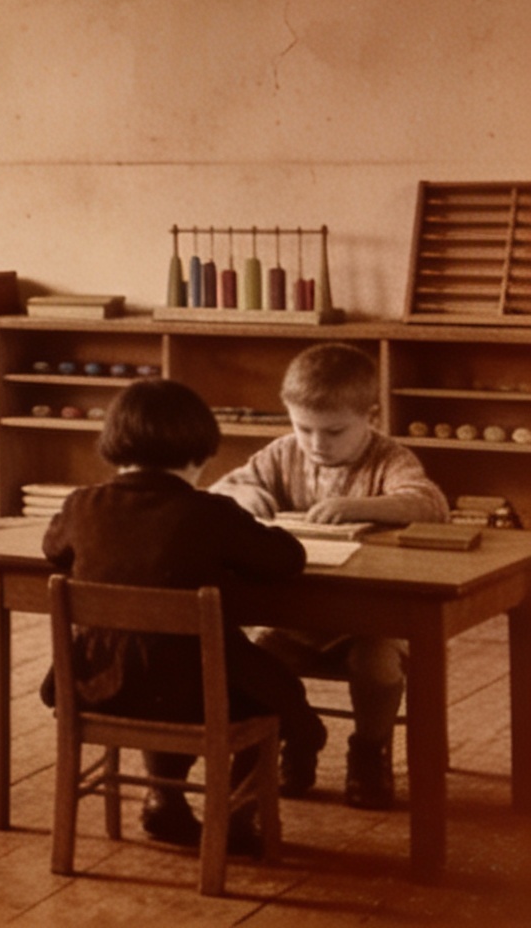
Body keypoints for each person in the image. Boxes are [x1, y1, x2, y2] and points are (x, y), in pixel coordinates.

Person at [41, 378, 323, 855]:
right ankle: (236, 816)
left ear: (114, 445)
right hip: (192, 693)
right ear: (199, 454)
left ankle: (165, 801)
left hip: (97, 686)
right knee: (270, 697)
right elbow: (286, 560)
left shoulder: (80, 505)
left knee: (174, 669)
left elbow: (53, 550)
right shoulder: (210, 513)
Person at [208, 341, 448, 809]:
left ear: (371, 417)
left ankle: (368, 749)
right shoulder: (281, 454)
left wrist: (357, 506)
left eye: (335, 431)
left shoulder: (389, 457)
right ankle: (296, 740)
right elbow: (223, 488)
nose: (318, 444)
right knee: (255, 664)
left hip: (372, 621)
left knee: (376, 667)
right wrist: (243, 499)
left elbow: (430, 504)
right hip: (294, 618)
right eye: (304, 429)